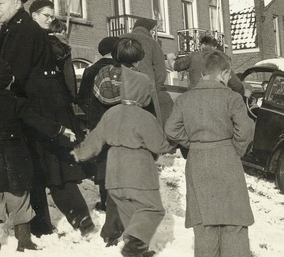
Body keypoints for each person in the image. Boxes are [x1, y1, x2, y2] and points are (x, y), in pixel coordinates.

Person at [0, 0, 94, 236]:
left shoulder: (23, 30)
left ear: (17, 3)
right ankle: (43, 226)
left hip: (39, 107)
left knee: (54, 167)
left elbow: (13, 72)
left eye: (0, 3)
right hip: (37, 104)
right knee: (38, 167)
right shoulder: (14, 28)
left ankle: (82, 223)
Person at [72, 66, 172, 257]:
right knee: (153, 209)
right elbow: (159, 145)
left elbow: (94, 140)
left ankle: (137, 250)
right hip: (138, 169)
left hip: (114, 171)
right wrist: (170, 144)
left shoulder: (111, 113)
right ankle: (135, 244)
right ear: (143, 92)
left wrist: (79, 153)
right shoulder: (144, 116)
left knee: (129, 212)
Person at [165, 50, 255, 257]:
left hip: (197, 161)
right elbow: (245, 130)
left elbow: (171, 129)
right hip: (227, 159)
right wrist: (235, 150)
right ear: (224, 73)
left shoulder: (184, 99)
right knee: (234, 222)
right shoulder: (232, 98)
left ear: (204, 72)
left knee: (204, 225)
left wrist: (195, 143)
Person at [0, 59, 76, 251]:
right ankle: (23, 241)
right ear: (9, 82)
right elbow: (36, 121)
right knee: (18, 197)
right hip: (14, 156)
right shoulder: (16, 103)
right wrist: (59, 129)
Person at [76, 36, 120, 213]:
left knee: (102, 162)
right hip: (120, 122)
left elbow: (81, 98)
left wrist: (92, 115)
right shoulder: (122, 69)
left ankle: (105, 201)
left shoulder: (91, 70)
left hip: (98, 123)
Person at [121, 18, 173, 124]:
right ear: (148, 30)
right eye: (153, 31)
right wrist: (154, 88)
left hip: (122, 90)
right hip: (146, 93)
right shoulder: (152, 43)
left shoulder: (119, 39)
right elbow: (161, 73)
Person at [173, 34, 244, 95]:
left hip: (194, 96)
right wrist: (242, 91)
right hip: (216, 96)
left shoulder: (192, 56)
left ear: (202, 45)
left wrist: (170, 58)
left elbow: (176, 66)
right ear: (215, 46)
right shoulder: (222, 58)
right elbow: (234, 82)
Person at [47, 17, 78, 102]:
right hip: (61, 92)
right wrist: (72, 96)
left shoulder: (39, 43)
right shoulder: (64, 49)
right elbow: (68, 74)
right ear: (62, 32)